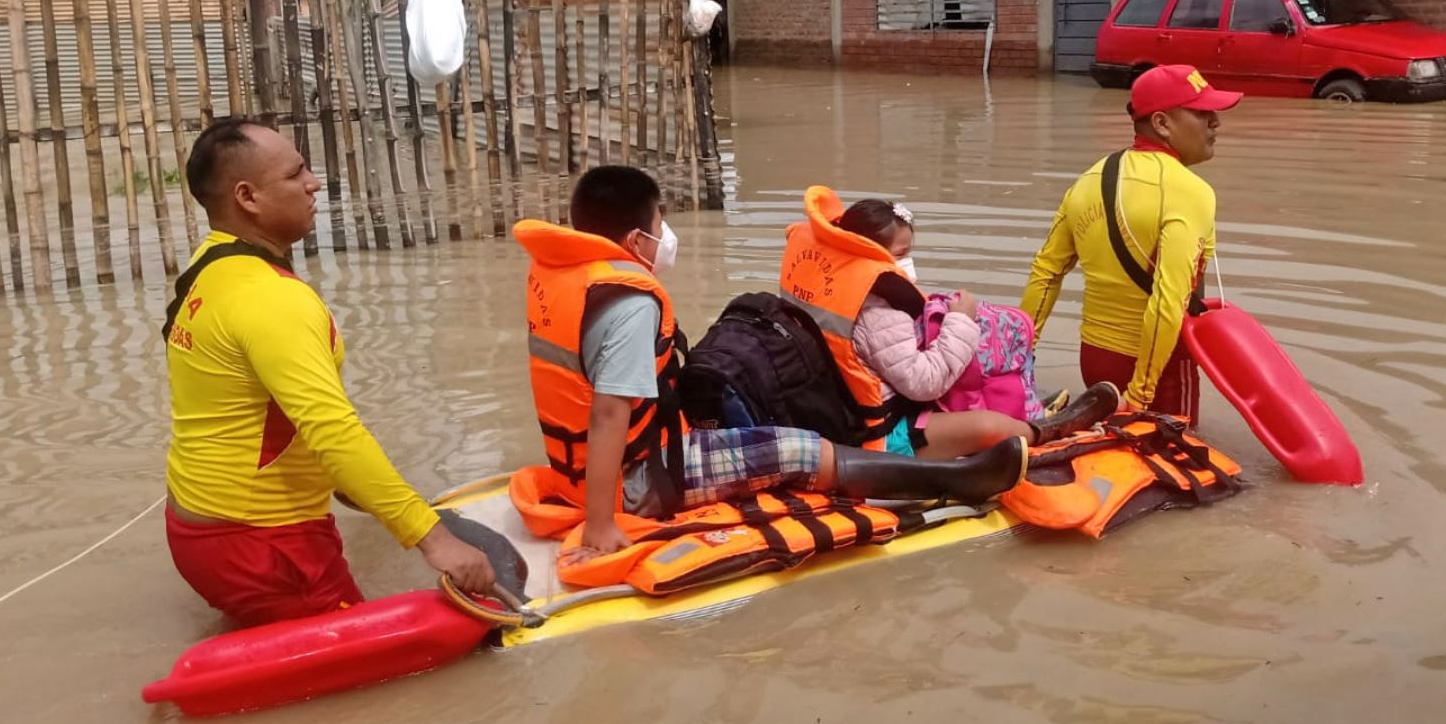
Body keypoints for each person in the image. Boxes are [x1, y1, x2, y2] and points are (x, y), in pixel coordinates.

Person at [517, 166, 1033, 561]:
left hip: (581, 472)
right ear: (635, 241)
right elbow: (609, 412)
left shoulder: (565, 276)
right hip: (635, 482)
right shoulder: (629, 304)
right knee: (799, 450)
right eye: (659, 224)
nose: (665, 234)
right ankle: (957, 481)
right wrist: (602, 524)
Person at [163, 117, 495, 626]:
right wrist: (436, 540)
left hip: (195, 526)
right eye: (296, 174)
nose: (314, 183)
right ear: (248, 197)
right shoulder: (272, 299)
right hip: (261, 546)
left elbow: (245, 404)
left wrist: (352, 487)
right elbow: (332, 430)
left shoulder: (210, 265)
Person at [809, 196, 1118, 458]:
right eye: (900, 255)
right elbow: (924, 383)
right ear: (868, 253)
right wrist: (961, 320)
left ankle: (1023, 412)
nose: (906, 263)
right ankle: (1050, 432)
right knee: (989, 427)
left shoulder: (831, 286)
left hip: (848, 412)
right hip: (884, 436)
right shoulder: (876, 311)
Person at [1019, 64, 1241, 421]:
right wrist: (1140, 394)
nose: (1215, 122)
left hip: (1094, 361)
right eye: (1202, 113)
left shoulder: (1087, 181)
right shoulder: (1191, 192)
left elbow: (1046, 274)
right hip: (1160, 370)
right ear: (1162, 123)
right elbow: (1168, 300)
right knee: (1178, 471)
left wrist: (1019, 360)